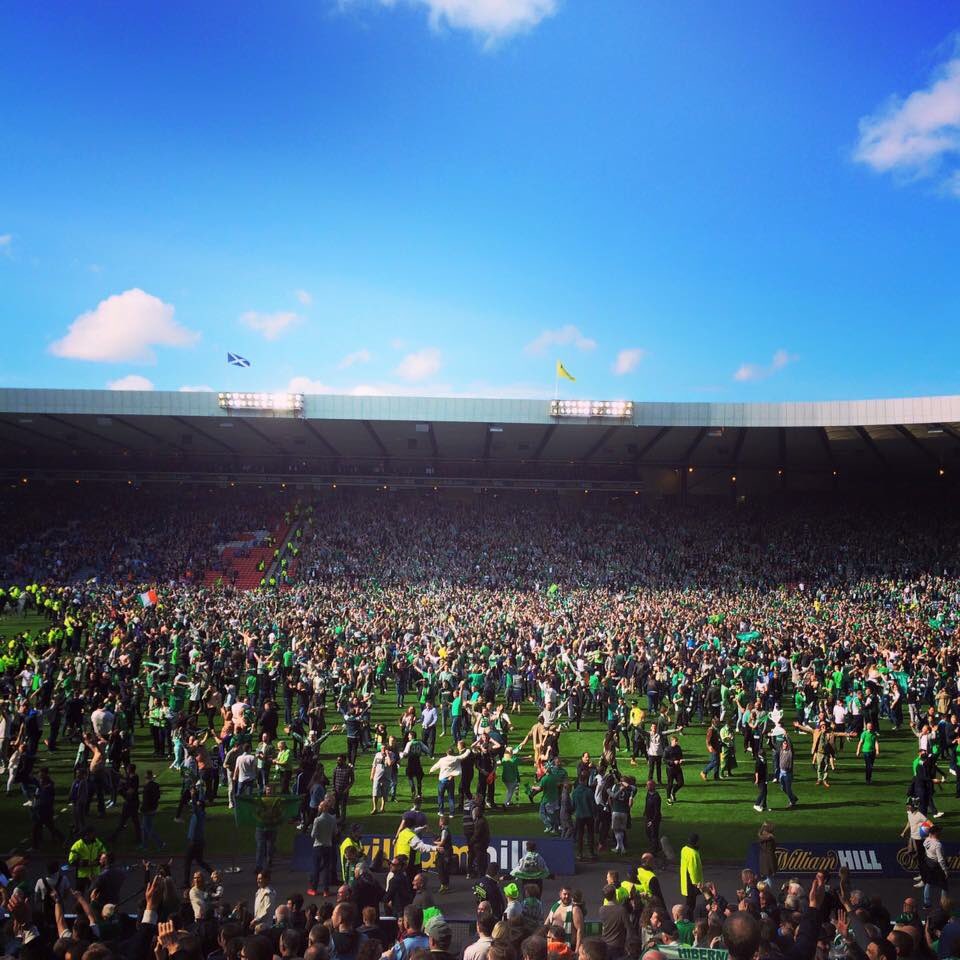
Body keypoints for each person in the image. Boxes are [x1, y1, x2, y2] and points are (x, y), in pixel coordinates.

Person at [308, 798, 337, 897]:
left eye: (320, 806)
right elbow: (335, 832)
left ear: (323, 808)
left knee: (316, 867)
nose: (318, 807)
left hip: (318, 845)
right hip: (328, 845)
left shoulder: (317, 820)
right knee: (326, 868)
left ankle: (314, 888)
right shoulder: (332, 819)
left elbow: (313, 834)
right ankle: (326, 890)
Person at [679, 833, 703, 917]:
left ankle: (687, 917)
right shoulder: (693, 853)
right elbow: (693, 870)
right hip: (691, 882)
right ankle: (688, 918)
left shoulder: (684, 849)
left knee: (689, 902)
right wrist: (696, 883)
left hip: (685, 879)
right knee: (691, 903)